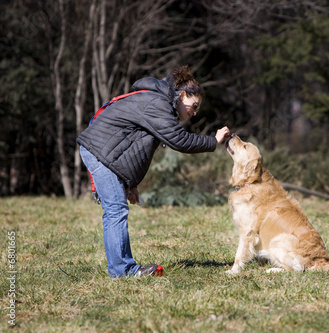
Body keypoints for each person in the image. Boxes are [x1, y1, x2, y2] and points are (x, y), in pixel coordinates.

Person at [77, 66, 231, 278]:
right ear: (183, 95)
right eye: (194, 106)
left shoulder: (158, 103)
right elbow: (179, 140)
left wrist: (130, 184)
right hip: (98, 151)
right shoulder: (157, 103)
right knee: (116, 210)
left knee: (116, 209)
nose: (194, 112)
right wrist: (213, 141)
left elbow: (133, 145)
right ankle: (123, 271)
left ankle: (123, 269)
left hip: (103, 152)